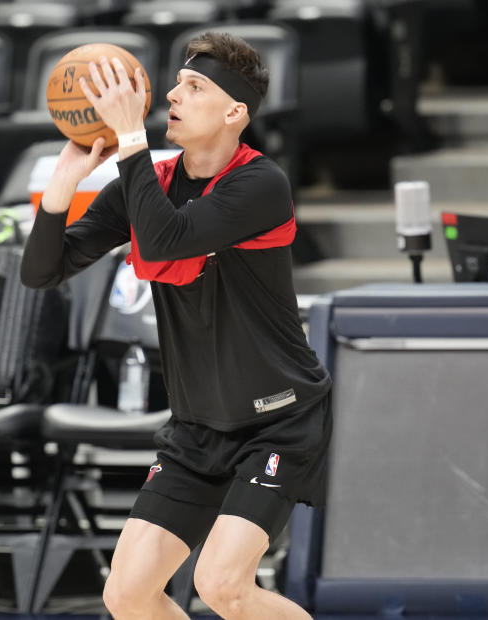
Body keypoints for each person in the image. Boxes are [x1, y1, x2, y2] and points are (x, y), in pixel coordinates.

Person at [21, 32, 332, 620]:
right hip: (196, 426)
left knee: (223, 587)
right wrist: (63, 189)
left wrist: (130, 141)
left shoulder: (260, 184)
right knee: (127, 594)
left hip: (278, 420)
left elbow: (167, 240)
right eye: (178, 83)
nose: (172, 94)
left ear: (235, 112)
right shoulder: (151, 183)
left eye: (195, 87)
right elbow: (43, 271)